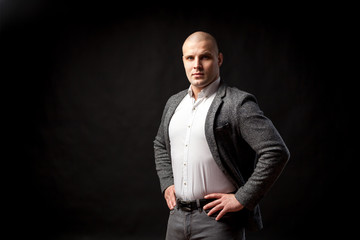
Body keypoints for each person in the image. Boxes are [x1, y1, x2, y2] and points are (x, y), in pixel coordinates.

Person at [154, 31, 290, 240]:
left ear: (219, 59)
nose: (196, 65)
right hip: (176, 218)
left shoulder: (237, 103)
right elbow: (161, 144)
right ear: (183, 60)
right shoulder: (174, 103)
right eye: (190, 58)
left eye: (205, 57)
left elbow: (276, 151)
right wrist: (167, 183)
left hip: (217, 222)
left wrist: (242, 198)